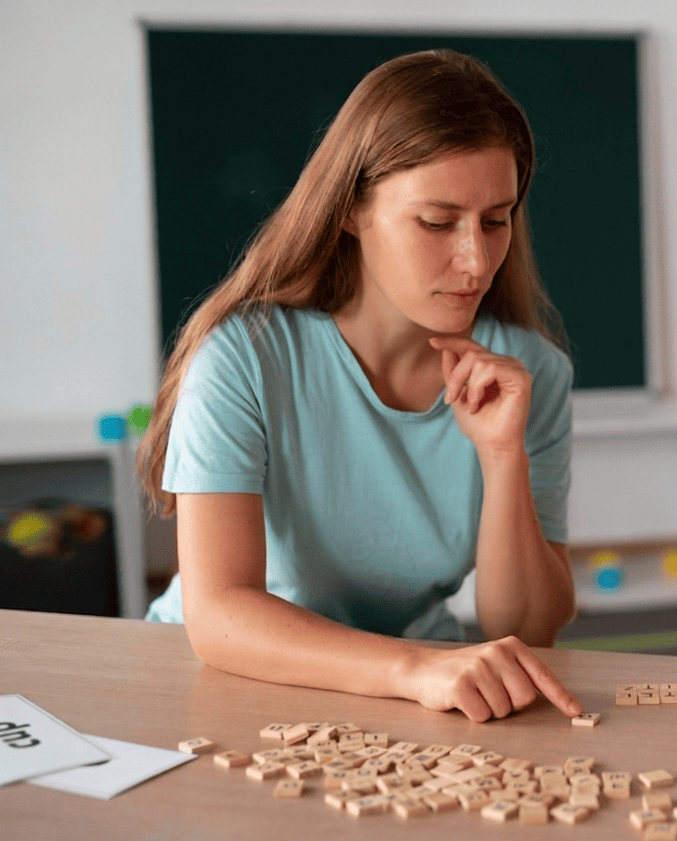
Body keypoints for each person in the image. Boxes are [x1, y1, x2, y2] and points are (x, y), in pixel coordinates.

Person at [138, 50, 582, 723]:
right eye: (437, 222)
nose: (476, 259)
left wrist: (502, 457)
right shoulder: (243, 357)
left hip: (406, 692)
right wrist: (415, 669)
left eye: (497, 220)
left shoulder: (530, 375)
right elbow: (219, 614)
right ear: (351, 210)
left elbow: (526, 624)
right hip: (225, 681)